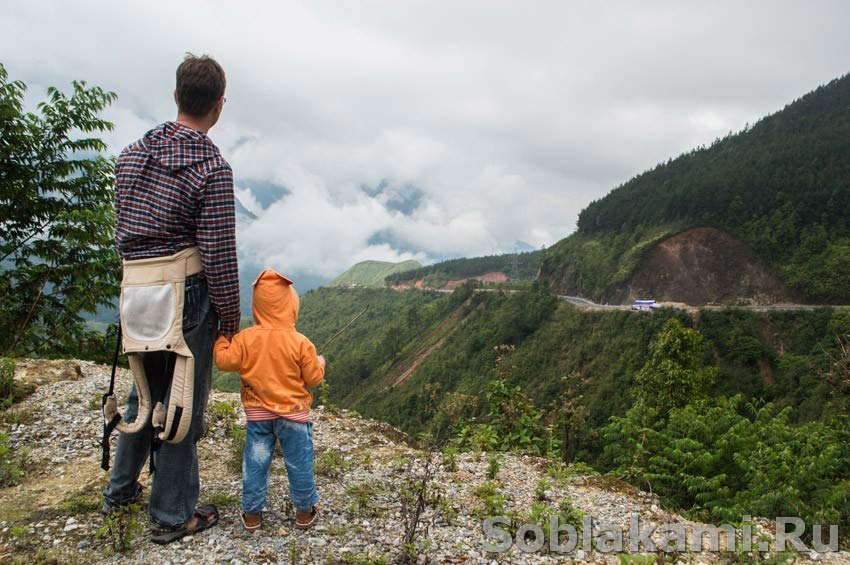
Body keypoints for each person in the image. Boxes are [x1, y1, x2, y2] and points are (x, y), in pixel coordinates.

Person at [102, 53, 240, 545]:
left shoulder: (130, 155)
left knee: (145, 390)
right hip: (187, 292)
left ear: (177, 96)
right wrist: (229, 318)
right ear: (219, 105)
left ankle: (120, 491)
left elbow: (124, 231)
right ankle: (172, 513)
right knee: (184, 401)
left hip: (136, 289)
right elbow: (220, 253)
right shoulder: (211, 167)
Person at [214, 269, 326, 532]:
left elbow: (225, 362)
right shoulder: (301, 342)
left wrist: (220, 340)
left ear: (257, 307)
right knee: (299, 465)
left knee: (255, 465)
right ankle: (303, 513)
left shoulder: (245, 339)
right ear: (291, 306)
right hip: (295, 417)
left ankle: (252, 516)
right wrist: (320, 363)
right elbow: (313, 378)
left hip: (258, 417)